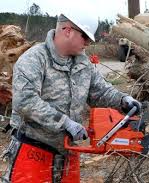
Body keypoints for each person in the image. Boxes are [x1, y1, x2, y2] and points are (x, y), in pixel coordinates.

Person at [1, 12, 141, 183]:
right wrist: (64, 123)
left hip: (68, 154)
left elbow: (101, 92)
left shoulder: (83, 63)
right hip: (34, 152)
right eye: (85, 36)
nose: (88, 42)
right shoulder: (34, 59)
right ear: (67, 30)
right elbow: (25, 102)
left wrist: (123, 100)